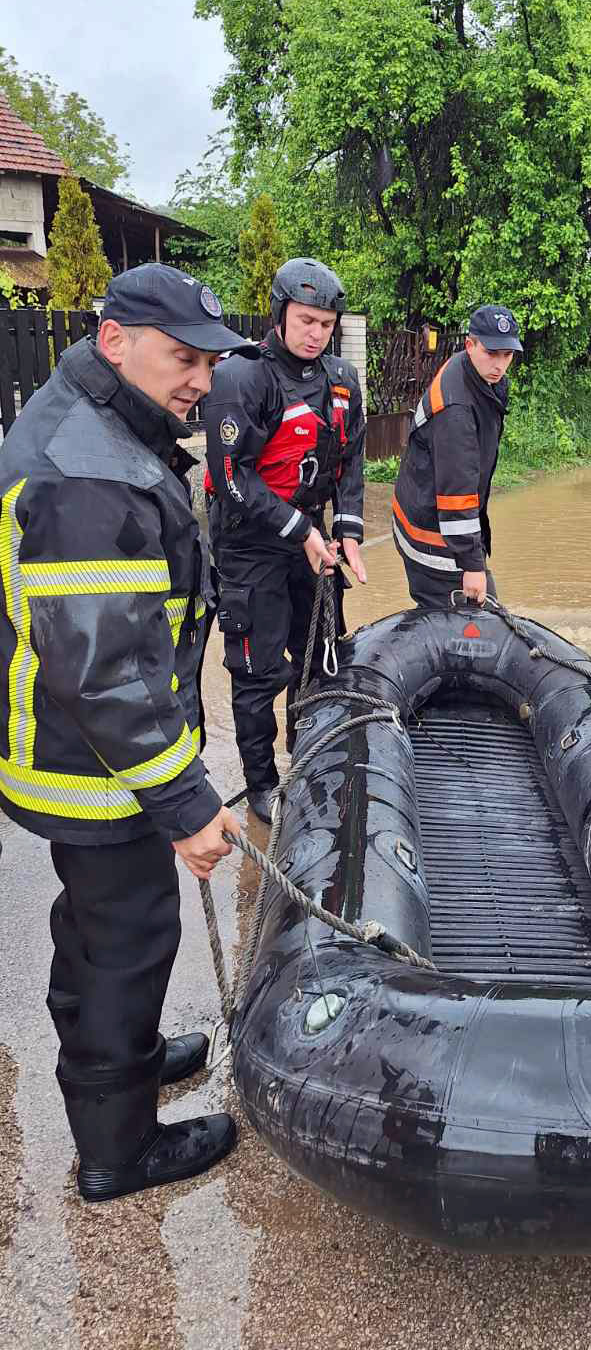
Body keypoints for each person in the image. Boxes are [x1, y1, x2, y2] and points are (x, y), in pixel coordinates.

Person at [0, 262, 245, 1201]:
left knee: (100, 930)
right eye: (183, 358)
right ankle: (119, 1150)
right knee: (126, 942)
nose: (201, 381)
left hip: (90, 754)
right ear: (115, 341)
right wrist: (186, 805)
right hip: (96, 768)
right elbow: (105, 674)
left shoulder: (98, 426)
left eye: (209, 362)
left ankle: (128, 1059)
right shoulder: (87, 476)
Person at [203, 258, 366, 821]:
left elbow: (349, 462)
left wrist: (348, 530)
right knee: (257, 672)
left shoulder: (341, 381)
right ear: (280, 314)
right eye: (305, 321)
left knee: (319, 657)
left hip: (312, 539)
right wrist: (300, 530)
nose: (315, 333)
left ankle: (310, 754)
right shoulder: (243, 378)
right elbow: (231, 478)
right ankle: (261, 785)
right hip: (250, 543)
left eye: (326, 324)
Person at [391, 305, 521, 610]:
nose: (499, 365)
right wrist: (472, 565)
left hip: (435, 518)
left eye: (507, 355)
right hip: (431, 537)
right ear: (470, 344)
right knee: (477, 619)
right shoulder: (456, 410)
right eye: (491, 353)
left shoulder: (474, 372)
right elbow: (457, 493)